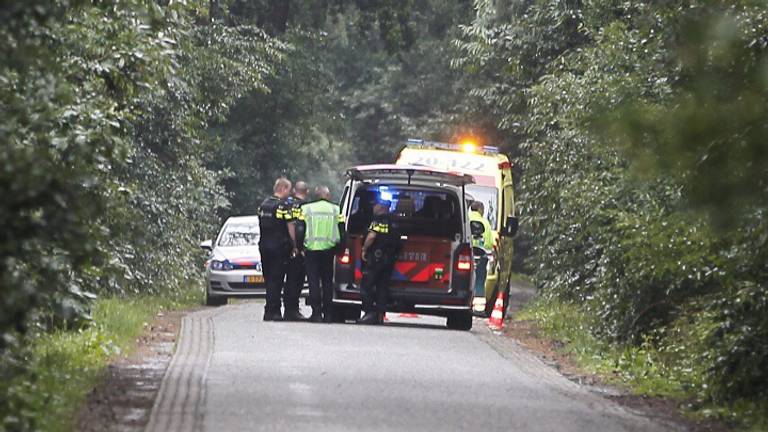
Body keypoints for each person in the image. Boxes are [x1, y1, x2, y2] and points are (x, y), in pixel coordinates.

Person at [296, 186, 345, 322]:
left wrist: (299, 247)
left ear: (316, 196)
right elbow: (342, 231)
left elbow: (300, 229)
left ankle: (316, 313)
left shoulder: (306, 209)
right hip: (329, 251)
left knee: (313, 282)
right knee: (327, 283)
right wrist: (341, 249)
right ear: (327, 196)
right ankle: (328, 314)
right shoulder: (336, 209)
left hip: (311, 250)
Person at [357, 198, 399, 325]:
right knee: (382, 287)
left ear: (381, 207)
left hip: (376, 258)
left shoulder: (378, 220)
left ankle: (369, 313)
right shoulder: (395, 221)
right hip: (390, 259)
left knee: (366, 286)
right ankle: (380, 315)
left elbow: (372, 236)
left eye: (375, 204)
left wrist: (364, 249)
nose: (373, 207)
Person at [258, 177, 294, 321]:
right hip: (278, 246)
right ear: (283, 188)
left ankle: (269, 310)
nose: (289, 194)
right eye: (288, 190)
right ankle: (274, 310)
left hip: (264, 246)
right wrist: (294, 244)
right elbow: (290, 225)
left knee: (268, 279)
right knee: (277, 279)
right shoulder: (282, 206)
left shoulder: (263, 205)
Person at [283, 181, 309, 321]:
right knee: (296, 280)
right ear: (307, 192)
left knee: (289, 280)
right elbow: (299, 228)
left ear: (294, 190)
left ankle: (288, 308)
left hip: (285, 247)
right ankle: (292, 310)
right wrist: (300, 247)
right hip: (297, 249)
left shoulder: (286, 204)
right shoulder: (304, 207)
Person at [469, 201, 494, 304]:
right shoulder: (485, 223)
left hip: (466, 252)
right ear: (479, 209)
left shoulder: (466, 218)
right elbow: (489, 243)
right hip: (480, 253)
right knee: (480, 279)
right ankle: (478, 303)